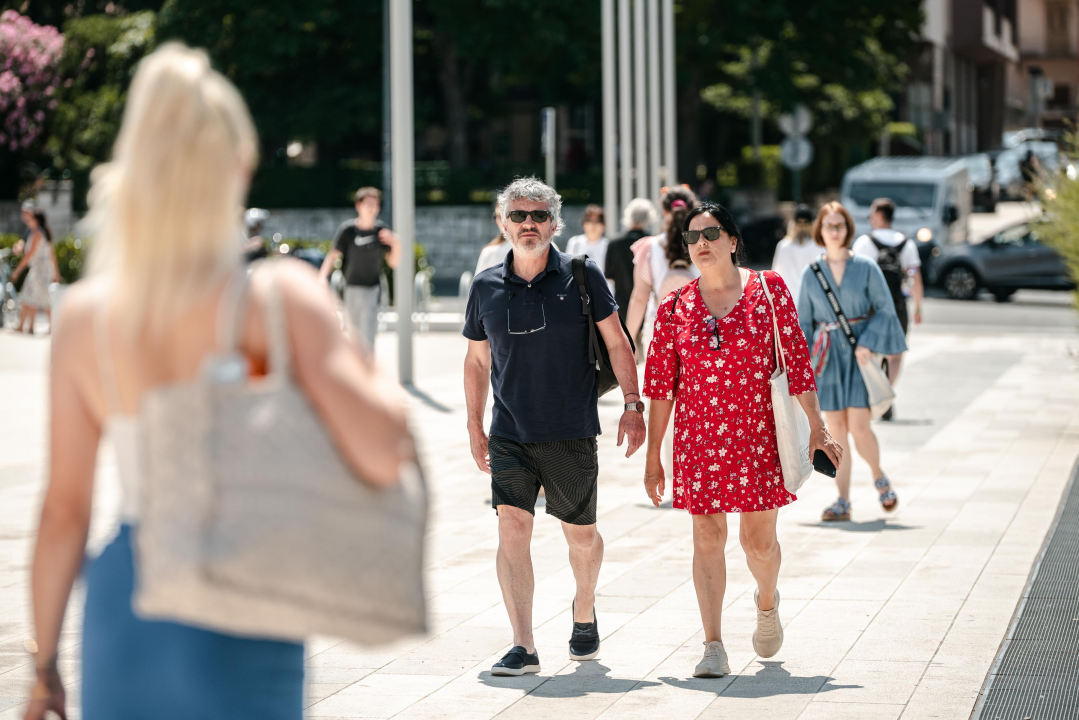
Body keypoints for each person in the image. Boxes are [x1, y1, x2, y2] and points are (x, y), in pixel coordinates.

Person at [23, 43, 414, 720]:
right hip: (244, 592)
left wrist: (45, 665)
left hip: (129, 595)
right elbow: (384, 447)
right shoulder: (278, 301)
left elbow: (64, 512)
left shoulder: (88, 317)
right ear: (235, 168)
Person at [643, 201, 842, 679]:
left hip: (757, 439)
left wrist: (817, 426)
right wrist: (654, 457)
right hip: (699, 442)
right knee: (707, 537)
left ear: (733, 240)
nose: (702, 245)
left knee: (758, 544)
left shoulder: (769, 290)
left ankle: (767, 602)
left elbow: (796, 363)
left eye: (711, 234)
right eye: (692, 238)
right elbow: (661, 389)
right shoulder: (674, 306)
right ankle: (713, 645)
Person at [463, 177, 645, 676]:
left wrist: (633, 404)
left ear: (554, 223)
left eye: (538, 216)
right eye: (517, 216)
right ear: (502, 224)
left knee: (580, 536)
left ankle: (583, 610)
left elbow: (617, 343)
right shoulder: (485, 286)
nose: (528, 224)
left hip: (570, 430)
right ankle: (523, 644)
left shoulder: (581, 276)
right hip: (509, 433)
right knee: (512, 527)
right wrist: (475, 426)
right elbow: (477, 362)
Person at [798, 202, 908, 522]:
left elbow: (885, 309)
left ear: (848, 230)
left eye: (840, 226)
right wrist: (800, 367)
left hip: (859, 357)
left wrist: (868, 343)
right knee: (836, 430)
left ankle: (878, 476)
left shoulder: (866, 267)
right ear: (820, 230)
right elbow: (804, 323)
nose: (834, 231)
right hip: (828, 359)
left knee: (860, 427)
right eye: (829, 225)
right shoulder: (810, 273)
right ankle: (842, 500)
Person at [851, 197, 922, 395]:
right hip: (897, 307)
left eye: (871, 215)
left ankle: (873, 391)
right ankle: (886, 391)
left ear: (880, 216)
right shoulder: (906, 244)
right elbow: (916, 278)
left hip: (870, 308)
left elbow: (854, 277)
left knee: (868, 351)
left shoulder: (864, 242)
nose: (869, 219)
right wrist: (918, 307)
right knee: (896, 355)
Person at [318, 187, 401, 351]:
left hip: (373, 289)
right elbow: (333, 255)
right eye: (368, 203)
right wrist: (321, 278)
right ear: (358, 206)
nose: (372, 208)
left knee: (368, 336)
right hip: (351, 288)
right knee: (352, 335)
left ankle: (368, 371)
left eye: (375, 204)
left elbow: (393, 263)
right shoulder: (348, 230)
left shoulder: (381, 231)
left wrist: (396, 244)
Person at [625, 186, 700, 341]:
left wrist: (629, 340)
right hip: (696, 328)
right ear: (692, 210)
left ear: (665, 212)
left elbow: (639, 298)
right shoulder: (704, 244)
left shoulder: (648, 247)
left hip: (658, 329)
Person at [604, 197, 657, 325]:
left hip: (621, 305)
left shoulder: (614, 243)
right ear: (649, 217)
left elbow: (608, 275)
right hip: (648, 306)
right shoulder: (653, 243)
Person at [11, 204, 59, 334]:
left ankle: (53, 327)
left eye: (30, 218)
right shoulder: (42, 233)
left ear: (36, 219)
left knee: (40, 300)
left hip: (40, 272)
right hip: (40, 271)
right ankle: (26, 326)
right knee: (29, 298)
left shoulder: (37, 234)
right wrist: (56, 273)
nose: (27, 220)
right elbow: (52, 255)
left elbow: (29, 256)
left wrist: (17, 271)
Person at [770, 203, 820, 301]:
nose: (802, 226)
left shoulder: (783, 245)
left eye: (805, 223)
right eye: (800, 222)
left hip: (791, 300)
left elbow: (775, 275)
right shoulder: (818, 246)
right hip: (807, 299)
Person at [564, 204, 609, 272]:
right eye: (589, 220)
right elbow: (568, 269)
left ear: (603, 225)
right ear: (583, 224)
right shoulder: (575, 242)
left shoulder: (608, 245)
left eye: (598, 221)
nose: (593, 225)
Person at [476, 208, 511, 275]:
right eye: (497, 216)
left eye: (504, 215)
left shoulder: (488, 252)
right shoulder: (489, 252)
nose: (502, 221)